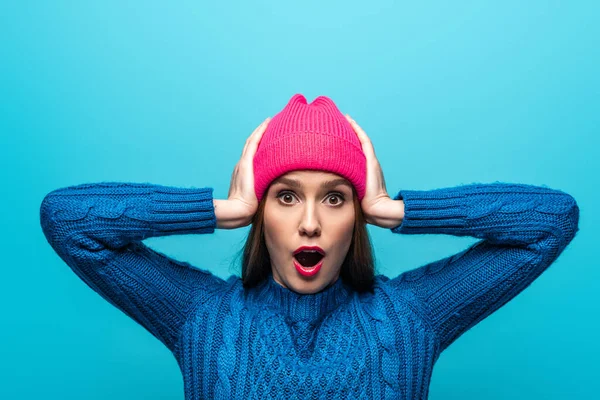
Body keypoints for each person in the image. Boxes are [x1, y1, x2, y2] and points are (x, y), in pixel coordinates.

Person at [39, 93, 580, 399]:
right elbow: (67, 220)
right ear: (262, 212)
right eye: (287, 197)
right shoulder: (202, 316)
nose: (311, 224)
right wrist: (222, 209)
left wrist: (395, 209)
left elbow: (551, 222)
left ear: (356, 215)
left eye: (337, 199)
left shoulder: (410, 316)